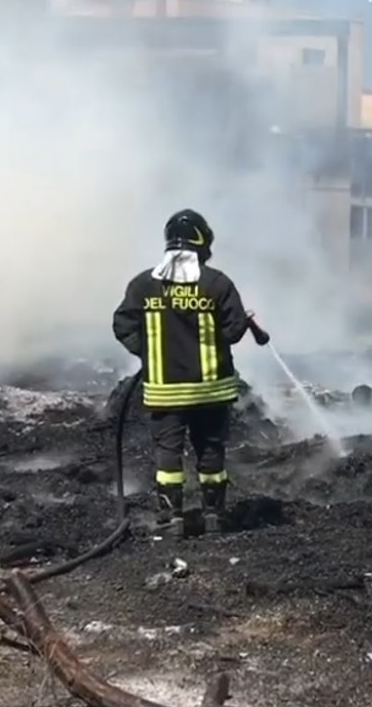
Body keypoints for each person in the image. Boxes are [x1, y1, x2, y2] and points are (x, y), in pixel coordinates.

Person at [112, 208, 256, 538]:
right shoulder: (217, 284)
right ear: (202, 244)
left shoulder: (144, 285)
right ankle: (214, 517)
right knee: (210, 450)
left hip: (165, 391)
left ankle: (171, 518)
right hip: (211, 391)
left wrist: (147, 352)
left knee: (168, 454)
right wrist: (242, 322)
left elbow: (122, 324)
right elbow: (233, 333)